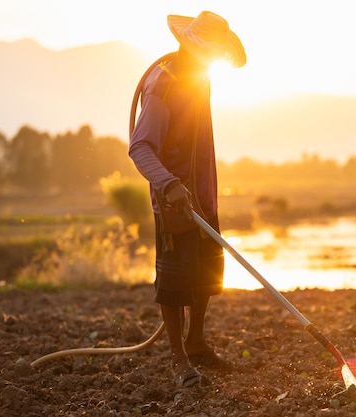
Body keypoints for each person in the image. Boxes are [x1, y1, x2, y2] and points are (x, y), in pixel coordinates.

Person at [128, 11, 246, 388]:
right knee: (176, 279)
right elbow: (141, 147)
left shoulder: (201, 80)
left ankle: (196, 342)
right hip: (172, 197)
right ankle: (179, 358)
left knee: (207, 273)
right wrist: (170, 184)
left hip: (203, 193)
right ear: (186, 43)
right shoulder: (162, 85)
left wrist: (199, 189)